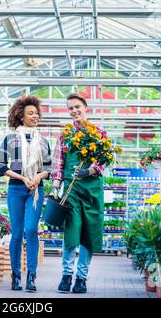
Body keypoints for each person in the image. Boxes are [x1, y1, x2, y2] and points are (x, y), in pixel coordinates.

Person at [50, 93, 108, 294]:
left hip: (92, 190)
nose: (74, 111)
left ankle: (81, 278)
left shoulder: (99, 133)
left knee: (89, 233)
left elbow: (105, 159)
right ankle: (66, 274)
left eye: (77, 107)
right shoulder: (65, 135)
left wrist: (89, 171)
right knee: (71, 231)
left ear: (86, 108)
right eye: (70, 108)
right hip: (71, 189)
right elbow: (58, 164)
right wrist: (55, 187)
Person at [0, 95, 52, 292]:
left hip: (36, 190)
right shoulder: (10, 139)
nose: (35, 116)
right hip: (16, 189)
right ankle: (16, 276)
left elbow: (48, 168)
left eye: (37, 113)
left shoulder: (43, 141)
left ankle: (31, 276)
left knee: (31, 230)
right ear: (21, 116)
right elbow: (1, 167)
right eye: (31, 113)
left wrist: (38, 177)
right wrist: (23, 178)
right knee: (17, 233)